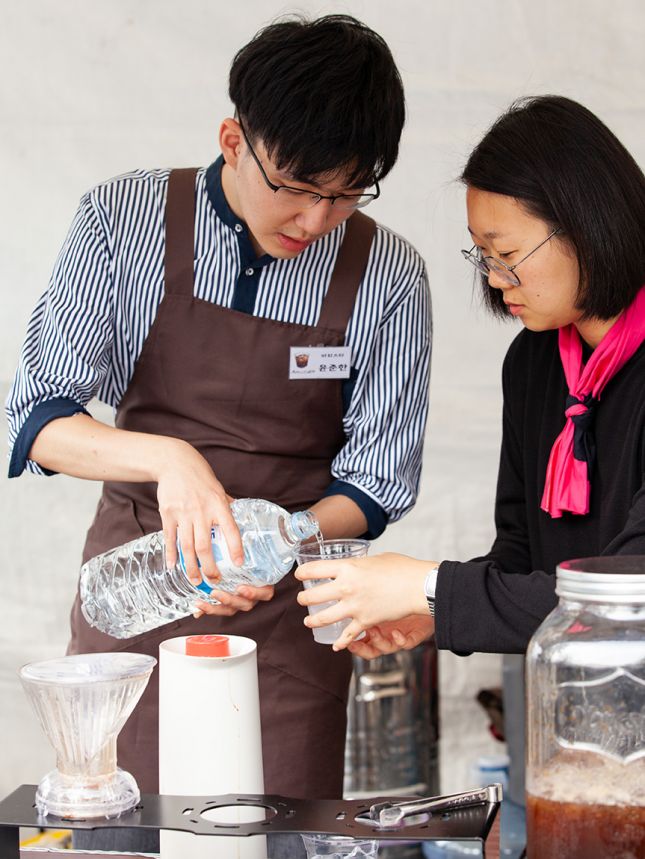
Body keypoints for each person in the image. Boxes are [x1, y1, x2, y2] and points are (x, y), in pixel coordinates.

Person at [6, 13, 430, 853]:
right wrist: (171, 462)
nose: (314, 219)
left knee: (273, 837)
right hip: (136, 593)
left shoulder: (388, 273)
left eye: (345, 193)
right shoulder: (122, 220)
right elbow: (40, 418)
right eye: (297, 184)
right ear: (234, 139)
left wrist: (273, 542)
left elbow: (377, 481)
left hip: (287, 615)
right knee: (118, 832)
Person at [297, 94, 645, 658]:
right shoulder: (535, 363)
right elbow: (521, 558)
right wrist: (430, 613)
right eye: (479, 253)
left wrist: (427, 586)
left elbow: (630, 593)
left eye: (504, 251)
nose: (494, 277)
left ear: (587, 225)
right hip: (585, 695)